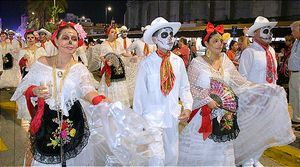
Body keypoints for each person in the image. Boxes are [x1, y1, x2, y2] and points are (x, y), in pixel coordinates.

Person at [11, 21, 155, 166]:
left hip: (72, 123)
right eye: (65, 38)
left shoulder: (79, 68)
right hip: (46, 122)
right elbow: (24, 88)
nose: (70, 42)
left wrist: (102, 101)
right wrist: (34, 91)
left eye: (74, 39)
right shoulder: (42, 62)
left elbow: (88, 91)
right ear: (56, 40)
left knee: (71, 160)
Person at [178, 22, 295, 166]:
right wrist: (207, 99)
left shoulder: (226, 60)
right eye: (215, 41)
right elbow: (191, 87)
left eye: (221, 40)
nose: (219, 44)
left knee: (223, 151)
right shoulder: (197, 63)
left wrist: (266, 89)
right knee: (203, 151)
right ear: (206, 44)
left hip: (225, 116)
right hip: (204, 115)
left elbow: (241, 83)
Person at [133, 17, 193, 165]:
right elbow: (139, 94)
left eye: (171, 35)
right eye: (164, 35)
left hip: (172, 116)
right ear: (155, 38)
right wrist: (138, 121)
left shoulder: (177, 62)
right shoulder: (147, 63)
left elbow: (184, 87)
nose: (170, 39)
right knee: (156, 158)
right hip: (151, 118)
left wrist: (187, 107)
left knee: (172, 155)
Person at [98, 24, 132, 107]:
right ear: (108, 33)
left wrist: (132, 56)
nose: (115, 34)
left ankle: (121, 106)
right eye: (112, 32)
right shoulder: (104, 44)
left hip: (119, 68)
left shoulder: (118, 43)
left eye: (115, 32)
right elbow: (102, 56)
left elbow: (123, 53)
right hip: (109, 69)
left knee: (121, 85)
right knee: (110, 87)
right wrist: (106, 62)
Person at [239, 16, 278, 84]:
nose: (269, 34)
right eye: (265, 31)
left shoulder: (271, 50)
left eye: (270, 31)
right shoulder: (249, 52)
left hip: (271, 92)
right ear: (255, 33)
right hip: (254, 93)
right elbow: (243, 77)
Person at [288, 21, 300, 127]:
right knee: (294, 97)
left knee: (299, 96)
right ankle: (296, 118)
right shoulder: (296, 42)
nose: (292, 33)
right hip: (294, 73)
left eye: (293, 30)